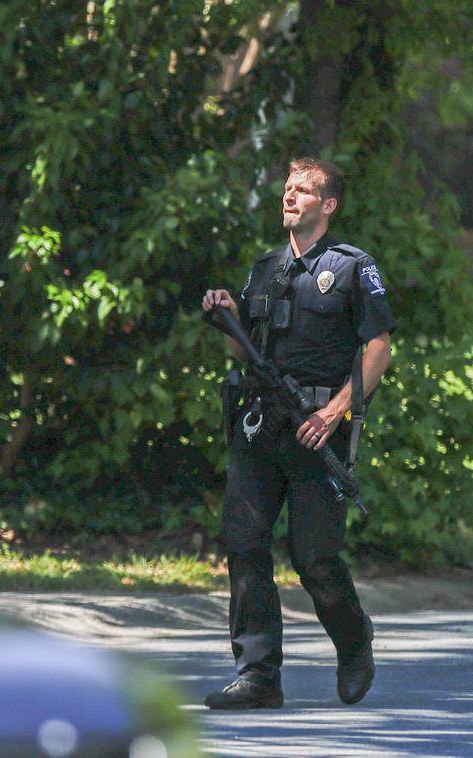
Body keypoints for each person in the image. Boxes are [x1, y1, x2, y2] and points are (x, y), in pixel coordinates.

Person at [200, 157, 396, 709]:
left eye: (303, 190)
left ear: (328, 205)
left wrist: (334, 414)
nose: (289, 197)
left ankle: (355, 641)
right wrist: (228, 315)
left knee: (313, 558)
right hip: (260, 429)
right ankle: (259, 676)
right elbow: (244, 352)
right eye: (287, 188)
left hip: (318, 432)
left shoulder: (353, 268)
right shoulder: (265, 269)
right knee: (244, 546)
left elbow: (377, 349)